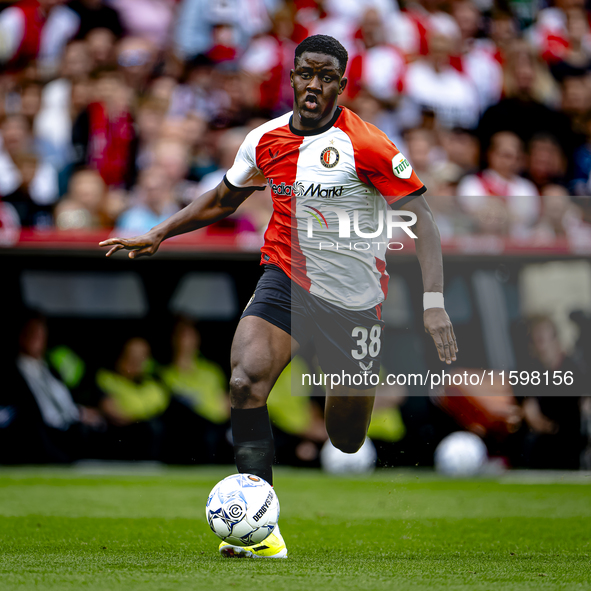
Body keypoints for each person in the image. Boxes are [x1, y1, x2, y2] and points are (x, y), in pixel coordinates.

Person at [99, 35, 458, 559]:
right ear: (291, 76)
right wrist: (160, 232)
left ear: (341, 83)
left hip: (353, 298)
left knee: (346, 438)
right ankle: (261, 530)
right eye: (306, 73)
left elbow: (423, 222)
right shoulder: (264, 139)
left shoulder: (369, 144)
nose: (314, 85)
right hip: (285, 275)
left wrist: (433, 303)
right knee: (245, 380)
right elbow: (224, 197)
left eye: (326, 77)